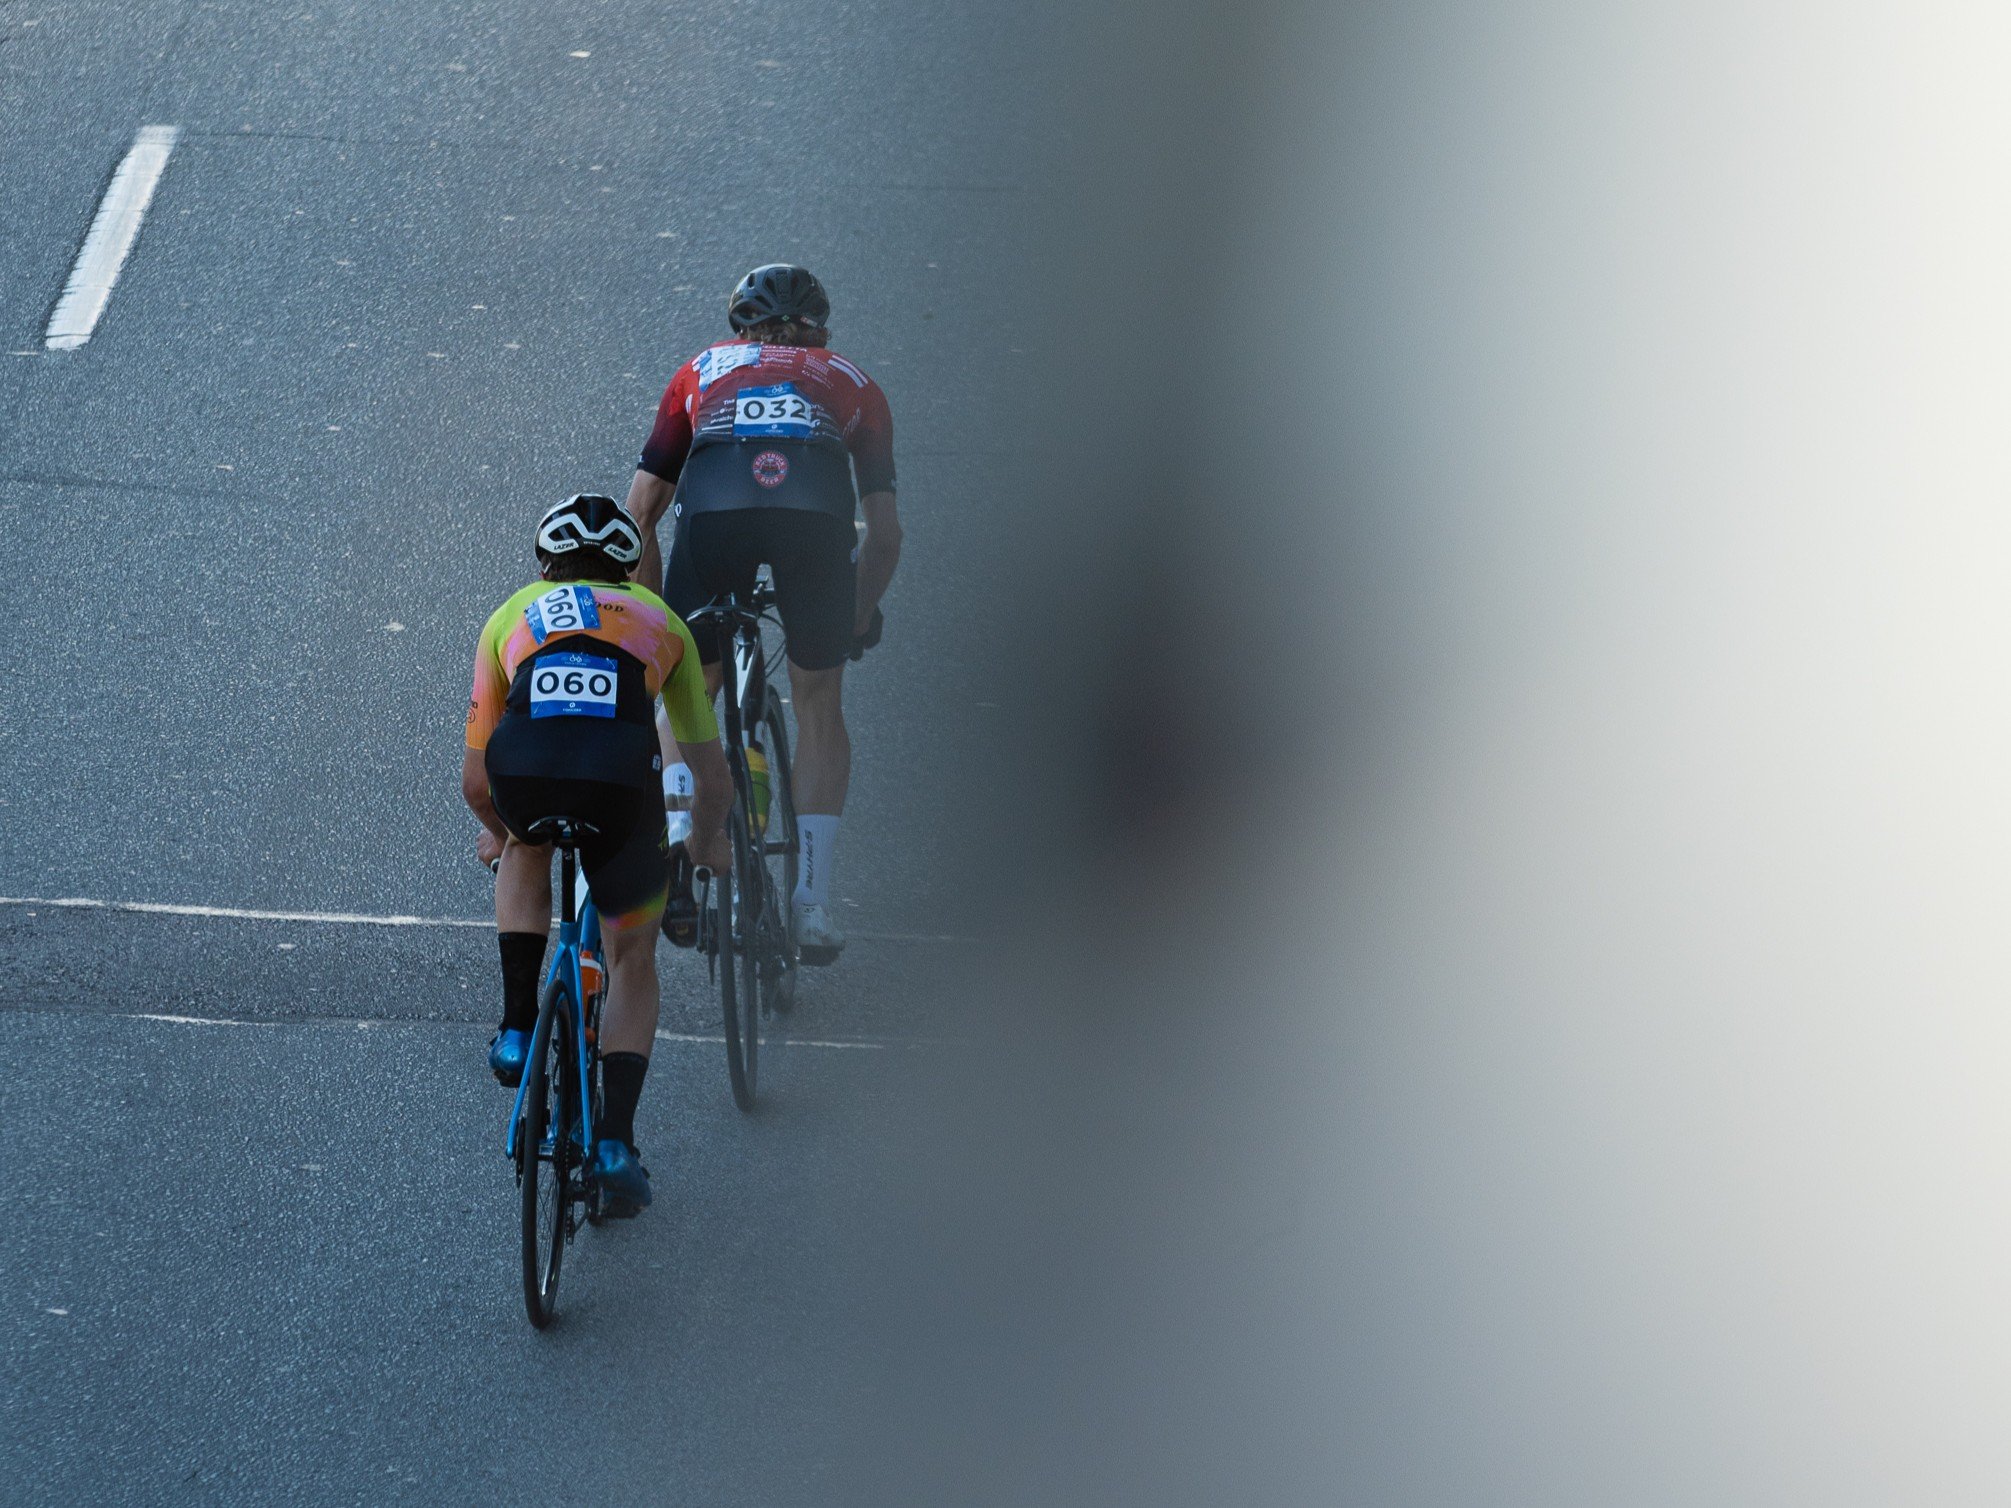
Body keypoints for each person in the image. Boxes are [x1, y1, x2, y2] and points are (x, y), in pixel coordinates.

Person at [624, 263, 902, 963]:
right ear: (820, 329)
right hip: (813, 518)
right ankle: (810, 902)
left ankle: (681, 847)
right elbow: (885, 533)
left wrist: (659, 618)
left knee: (690, 692)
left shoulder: (700, 369)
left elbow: (640, 514)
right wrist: (857, 617)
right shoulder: (852, 380)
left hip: (715, 514)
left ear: (737, 329)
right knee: (817, 701)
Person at [462, 494, 731, 1213]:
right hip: (620, 787)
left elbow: (471, 777)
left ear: (544, 564)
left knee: (525, 847)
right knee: (631, 958)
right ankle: (613, 1141)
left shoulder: (511, 613)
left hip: (526, 771)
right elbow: (710, 774)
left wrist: (499, 826)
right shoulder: (661, 620)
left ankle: (518, 1029)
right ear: (628, 566)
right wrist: (707, 837)